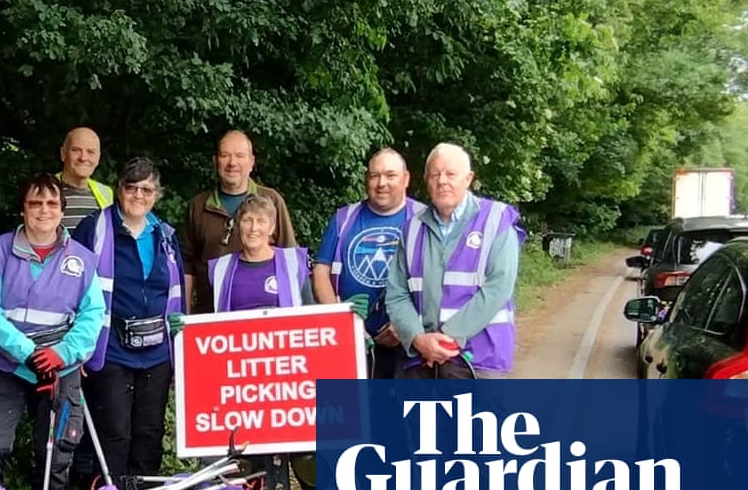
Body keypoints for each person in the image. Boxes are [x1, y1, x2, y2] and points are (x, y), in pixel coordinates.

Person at [0, 173, 104, 490]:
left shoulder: (83, 260)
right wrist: (29, 353)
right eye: (35, 202)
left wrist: (61, 353)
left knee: (57, 456)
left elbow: (93, 317)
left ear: (62, 210)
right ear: (22, 209)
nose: (44, 210)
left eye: (52, 203)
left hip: (62, 368)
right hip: (6, 365)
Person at [202, 194, 314, 490]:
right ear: (239, 225)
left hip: (286, 375)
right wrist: (184, 330)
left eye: (261, 221)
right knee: (238, 445)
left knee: (305, 447)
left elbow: (312, 314)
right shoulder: (221, 267)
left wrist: (347, 323)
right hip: (237, 377)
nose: (253, 228)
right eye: (248, 220)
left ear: (273, 227)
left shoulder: (293, 264)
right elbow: (208, 324)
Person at [71, 157, 184, 483]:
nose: (138, 195)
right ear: (118, 189)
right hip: (111, 346)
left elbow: (178, 292)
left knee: (149, 429)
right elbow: (72, 287)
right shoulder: (94, 229)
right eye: (131, 187)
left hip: (158, 349)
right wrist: (76, 346)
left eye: (147, 189)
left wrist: (181, 351)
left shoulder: (164, 234)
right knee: (114, 429)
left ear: (157, 194)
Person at [385, 143, 524, 380]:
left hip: (481, 360)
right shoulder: (412, 228)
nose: (442, 181)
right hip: (421, 362)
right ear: (426, 180)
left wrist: (446, 341)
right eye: (435, 174)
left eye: (451, 174)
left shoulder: (496, 219)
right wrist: (418, 339)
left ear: (468, 178)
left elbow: (498, 288)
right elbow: (396, 293)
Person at [312, 148, 425, 379]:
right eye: (374, 175)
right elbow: (320, 271)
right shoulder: (343, 219)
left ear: (406, 179)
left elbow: (440, 279)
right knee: (356, 412)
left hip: (408, 347)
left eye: (390, 175)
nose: (381, 183)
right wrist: (340, 318)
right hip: (351, 344)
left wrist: (407, 325)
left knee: (401, 412)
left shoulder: (424, 219)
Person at [180, 130, 297, 314]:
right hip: (211, 319)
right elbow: (186, 266)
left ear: (251, 162)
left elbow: (290, 260)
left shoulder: (271, 200)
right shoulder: (198, 206)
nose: (232, 163)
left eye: (240, 156)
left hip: (269, 318)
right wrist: (184, 315)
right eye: (225, 155)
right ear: (215, 161)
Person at [57, 127, 114, 231]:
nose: (83, 158)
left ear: (98, 157)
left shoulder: (106, 193)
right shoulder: (45, 190)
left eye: (91, 152)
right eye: (76, 150)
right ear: (63, 153)